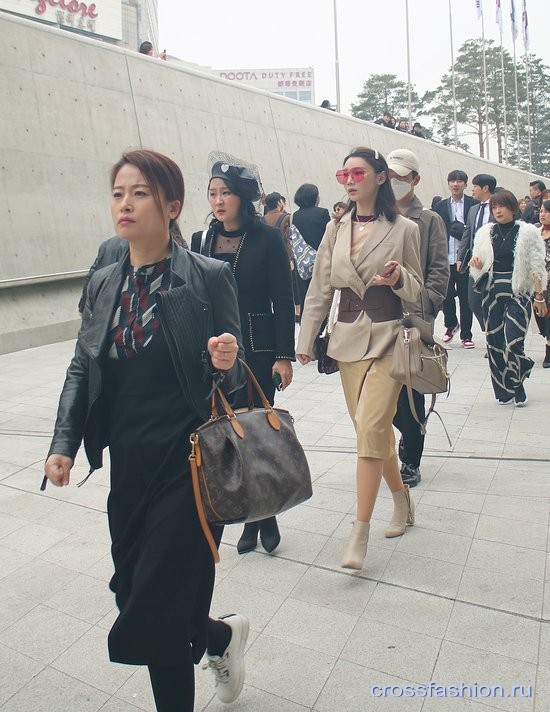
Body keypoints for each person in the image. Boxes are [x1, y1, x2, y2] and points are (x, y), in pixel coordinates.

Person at [43, 150, 250, 711]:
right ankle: (218, 637)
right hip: (129, 466)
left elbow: (236, 390)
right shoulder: (106, 279)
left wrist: (225, 362)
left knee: (155, 610)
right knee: (134, 590)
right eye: (118, 193)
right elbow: (83, 367)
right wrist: (63, 444)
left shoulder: (208, 278)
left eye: (140, 193)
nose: (125, 203)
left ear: (172, 206)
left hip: (189, 467)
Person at [296, 146, 423, 571]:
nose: (350, 180)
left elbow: (418, 290)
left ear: (380, 177)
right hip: (348, 340)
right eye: (343, 173)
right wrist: (305, 338)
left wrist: (400, 277)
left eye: (358, 173)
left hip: (388, 338)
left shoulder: (404, 228)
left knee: (371, 427)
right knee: (373, 434)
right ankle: (402, 500)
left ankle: (359, 531)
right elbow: (319, 288)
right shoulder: (336, 228)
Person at [191, 162, 295, 555]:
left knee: (253, 433)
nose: (218, 201)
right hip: (213, 353)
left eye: (226, 193)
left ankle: (260, 516)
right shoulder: (201, 240)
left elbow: (283, 300)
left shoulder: (267, 238)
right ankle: (259, 516)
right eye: (213, 193)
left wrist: (284, 355)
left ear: (242, 197)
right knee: (224, 436)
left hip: (258, 349)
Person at [387, 149, 449, 488]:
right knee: (383, 390)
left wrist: (426, 305)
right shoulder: (375, 215)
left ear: (415, 179)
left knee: (411, 390)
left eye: (401, 177)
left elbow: (439, 271)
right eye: (390, 176)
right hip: (377, 319)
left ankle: (411, 457)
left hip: (412, 317)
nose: (395, 183)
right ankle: (397, 442)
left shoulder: (428, 219)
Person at [469, 190, 546, 406]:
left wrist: (539, 296)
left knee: (513, 342)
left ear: (513, 207)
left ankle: (518, 384)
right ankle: (504, 389)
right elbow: (479, 264)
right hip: (492, 293)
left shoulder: (527, 232)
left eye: (501, 206)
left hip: (518, 293)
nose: (498, 211)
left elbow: (537, 265)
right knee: (494, 343)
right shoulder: (486, 232)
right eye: (494, 207)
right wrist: (476, 264)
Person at [433, 170, 479, 348]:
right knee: (446, 295)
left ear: (465, 185)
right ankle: (451, 325)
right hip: (445, 257)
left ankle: (466, 335)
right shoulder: (441, 206)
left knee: (465, 297)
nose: (455, 184)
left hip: (465, 258)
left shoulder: (473, 205)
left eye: (459, 181)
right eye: (452, 181)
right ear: (448, 183)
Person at [456, 173, 497, 331]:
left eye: (475, 187)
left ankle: (494, 337)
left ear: (485, 188)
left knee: (492, 301)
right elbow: (467, 235)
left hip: (493, 263)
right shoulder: (473, 209)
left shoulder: (498, 207)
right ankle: (490, 331)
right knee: (473, 302)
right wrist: (460, 257)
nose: (473, 190)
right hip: (474, 263)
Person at [292, 183, 331, 320]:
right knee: (323, 295)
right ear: (314, 197)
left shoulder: (294, 216)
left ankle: (307, 324)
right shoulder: (322, 213)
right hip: (321, 261)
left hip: (302, 263)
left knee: (306, 295)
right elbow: (330, 237)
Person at [534, 199, 550, 367]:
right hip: (536, 282)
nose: (542, 214)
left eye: (546, 211)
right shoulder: (535, 233)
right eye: (541, 211)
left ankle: (548, 349)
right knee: (540, 317)